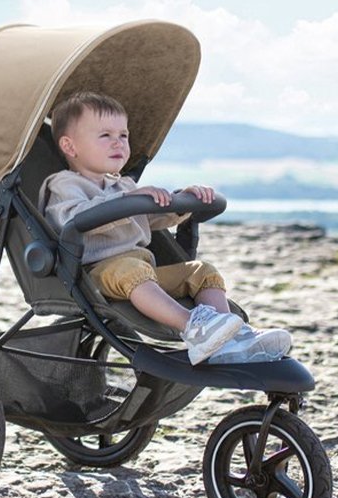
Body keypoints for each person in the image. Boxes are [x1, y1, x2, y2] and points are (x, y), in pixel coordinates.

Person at [40, 92, 291, 365]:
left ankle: (232, 335)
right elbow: (70, 221)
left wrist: (181, 202)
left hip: (143, 274)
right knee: (132, 270)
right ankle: (193, 328)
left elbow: (151, 219)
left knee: (201, 271)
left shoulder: (122, 185)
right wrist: (126, 201)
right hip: (95, 273)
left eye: (123, 135)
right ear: (70, 146)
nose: (119, 143)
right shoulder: (64, 184)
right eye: (105, 136)